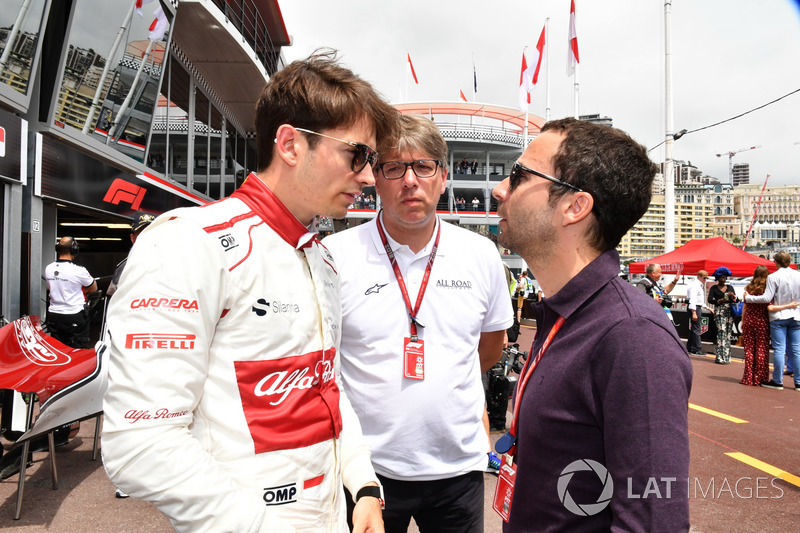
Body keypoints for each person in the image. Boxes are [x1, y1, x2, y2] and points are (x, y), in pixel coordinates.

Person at [101, 50, 400, 532]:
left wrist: (362, 484)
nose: (368, 176)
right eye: (357, 154)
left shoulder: (320, 257)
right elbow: (140, 440)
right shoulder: (189, 242)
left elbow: (326, 385)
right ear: (290, 143)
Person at [491, 117, 692, 531]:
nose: (500, 189)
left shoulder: (632, 336)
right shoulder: (565, 314)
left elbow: (655, 521)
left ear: (575, 206)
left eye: (519, 176)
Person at [324, 114, 513, 533]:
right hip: (366, 471)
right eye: (394, 167)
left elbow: (490, 348)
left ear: (443, 176)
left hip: (458, 468)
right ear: (376, 176)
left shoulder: (481, 254)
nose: (410, 180)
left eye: (424, 166)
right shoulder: (335, 255)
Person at [745, 251, 800, 390]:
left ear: (777, 262)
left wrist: (749, 298)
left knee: (779, 349)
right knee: (796, 350)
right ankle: (798, 382)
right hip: (796, 315)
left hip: (779, 316)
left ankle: (778, 381)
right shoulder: (798, 274)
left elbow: (766, 298)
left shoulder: (773, 277)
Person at [44, 236, 98, 348]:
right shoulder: (79, 270)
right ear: (74, 250)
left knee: (57, 349)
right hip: (74, 315)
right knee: (77, 350)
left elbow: (50, 287)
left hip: (54, 316)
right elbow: (93, 288)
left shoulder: (48, 268)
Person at [106, 213, 155, 298]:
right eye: (141, 234)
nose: (147, 237)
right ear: (132, 238)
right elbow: (111, 299)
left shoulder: (175, 263)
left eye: (151, 232)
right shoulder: (123, 268)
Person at [708, 266, 736, 364]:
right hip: (719, 311)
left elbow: (736, 300)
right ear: (717, 278)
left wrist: (732, 297)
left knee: (728, 334)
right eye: (721, 277)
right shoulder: (714, 288)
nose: (723, 279)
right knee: (721, 332)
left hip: (729, 312)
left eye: (724, 277)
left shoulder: (730, 287)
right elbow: (709, 299)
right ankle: (720, 356)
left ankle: (727, 357)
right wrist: (719, 300)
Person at [686, 270, 708, 355]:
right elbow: (693, 299)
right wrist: (694, 312)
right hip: (695, 307)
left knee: (694, 328)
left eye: (706, 278)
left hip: (695, 307)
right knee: (696, 328)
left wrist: (707, 307)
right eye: (704, 278)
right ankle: (696, 348)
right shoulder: (695, 285)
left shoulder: (697, 285)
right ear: (699, 277)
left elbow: (698, 300)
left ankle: (691, 347)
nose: (705, 279)